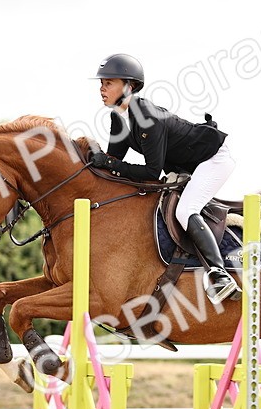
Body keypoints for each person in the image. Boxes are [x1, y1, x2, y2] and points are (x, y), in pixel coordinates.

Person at [88, 53, 241, 303]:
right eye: (101, 83)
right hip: (185, 163)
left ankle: (220, 274)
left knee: (185, 210)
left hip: (212, 158)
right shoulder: (118, 117)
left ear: (129, 86)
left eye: (108, 83)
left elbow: (151, 173)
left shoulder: (146, 116)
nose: (102, 89)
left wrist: (109, 163)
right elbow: (112, 163)